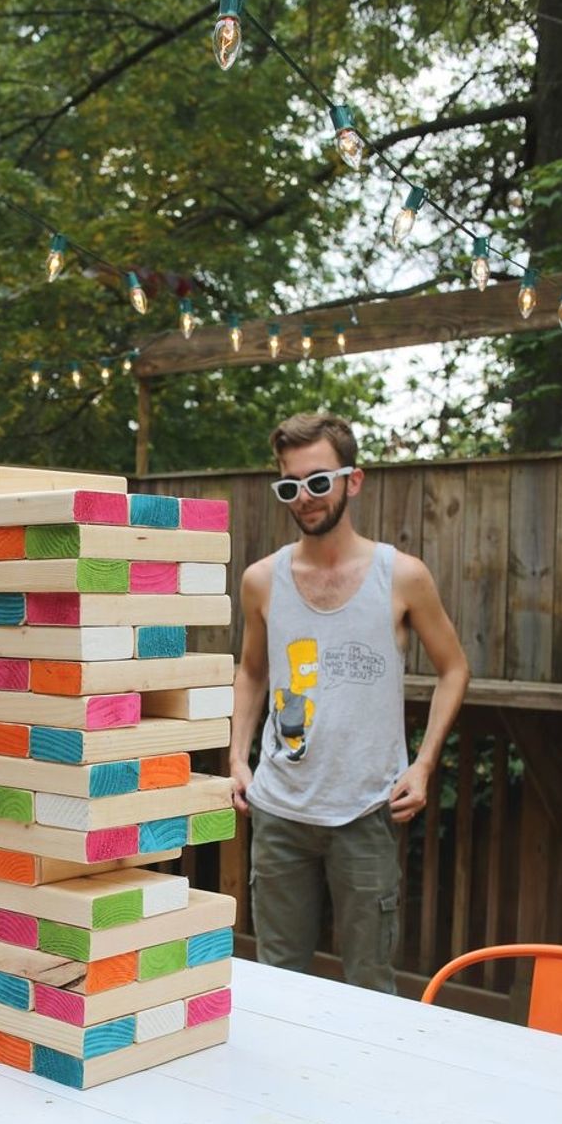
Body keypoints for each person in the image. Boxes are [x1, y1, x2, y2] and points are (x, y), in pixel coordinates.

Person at [230, 411, 469, 993]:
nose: (305, 498)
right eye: (290, 486)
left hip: (367, 809)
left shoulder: (402, 576)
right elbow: (252, 671)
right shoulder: (261, 580)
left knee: (371, 985)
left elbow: (454, 669)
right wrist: (236, 758)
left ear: (352, 480)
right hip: (279, 810)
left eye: (318, 481)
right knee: (279, 983)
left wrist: (424, 764)